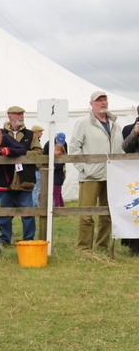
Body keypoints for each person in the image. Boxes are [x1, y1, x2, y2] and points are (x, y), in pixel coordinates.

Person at [68, 91, 124, 251]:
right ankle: (84, 249)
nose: (103, 103)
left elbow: (119, 148)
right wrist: (85, 169)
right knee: (86, 214)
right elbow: (74, 148)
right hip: (91, 176)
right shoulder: (83, 123)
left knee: (107, 214)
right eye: (99, 100)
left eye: (104, 99)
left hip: (112, 175)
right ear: (91, 104)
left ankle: (103, 247)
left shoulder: (114, 124)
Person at [0, 106, 42, 244]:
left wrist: (19, 153)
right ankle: (4, 238)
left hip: (25, 178)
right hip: (5, 178)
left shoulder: (30, 135)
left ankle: (28, 239)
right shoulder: (0, 134)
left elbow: (38, 152)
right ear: (10, 117)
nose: (21, 116)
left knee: (27, 213)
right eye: (18, 114)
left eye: (22, 114)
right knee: (4, 212)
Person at [121, 117, 139, 255]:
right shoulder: (129, 128)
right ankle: (135, 246)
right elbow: (125, 147)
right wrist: (135, 134)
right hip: (135, 175)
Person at [31, 125, 45, 207]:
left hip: (34, 168)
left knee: (35, 189)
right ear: (37, 133)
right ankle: (34, 206)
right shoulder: (35, 144)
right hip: (36, 169)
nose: (42, 134)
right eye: (40, 132)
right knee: (35, 189)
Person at [53, 143, 67, 208]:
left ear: (59, 151)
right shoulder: (60, 158)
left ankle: (57, 207)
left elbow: (57, 168)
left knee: (56, 194)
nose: (54, 152)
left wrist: (53, 166)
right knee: (58, 193)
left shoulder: (60, 159)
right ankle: (62, 206)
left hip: (57, 178)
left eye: (55, 150)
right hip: (58, 178)